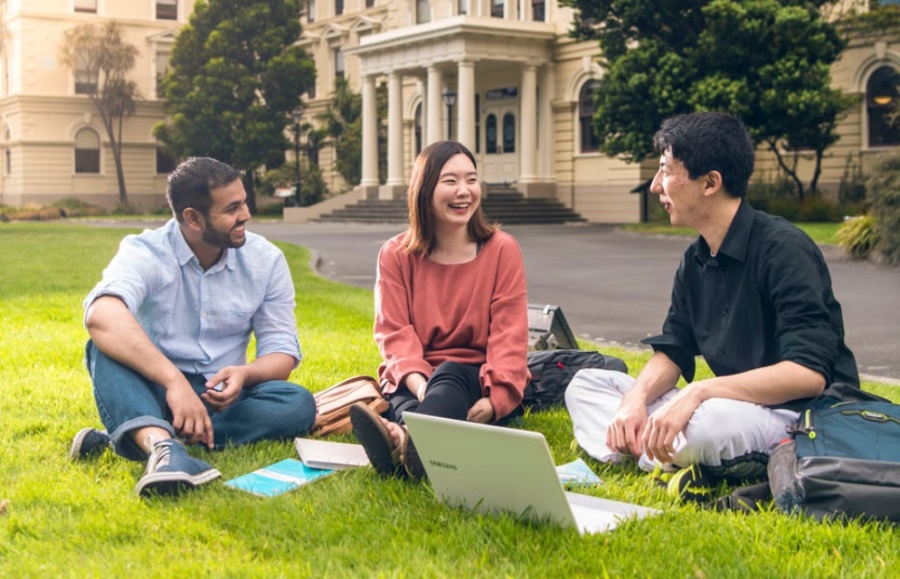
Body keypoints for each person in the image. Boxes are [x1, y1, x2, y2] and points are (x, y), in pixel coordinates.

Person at [565, 112, 859, 500]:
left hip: (796, 415)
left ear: (711, 183)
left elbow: (808, 375)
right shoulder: (695, 259)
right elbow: (674, 349)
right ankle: (653, 449)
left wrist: (698, 393)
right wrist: (634, 402)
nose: (655, 186)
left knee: (707, 423)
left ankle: (635, 448)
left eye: (667, 172)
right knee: (585, 384)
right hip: (729, 404)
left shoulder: (785, 250)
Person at [70, 156, 316, 497]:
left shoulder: (266, 260)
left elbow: (282, 350)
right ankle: (164, 448)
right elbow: (102, 314)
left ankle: (143, 433)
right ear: (193, 219)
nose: (245, 214)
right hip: (153, 383)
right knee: (103, 349)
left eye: (244, 202)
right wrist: (173, 381)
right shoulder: (146, 251)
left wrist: (245, 375)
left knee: (298, 404)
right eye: (232, 208)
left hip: (221, 397)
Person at [349, 140, 530, 479]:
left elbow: (510, 337)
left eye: (471, 179)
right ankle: (414, 441)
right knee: (415, 400)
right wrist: (423, 387)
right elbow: (395, 334)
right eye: (450, 181)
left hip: (478, 379)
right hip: (415, 379)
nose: (464, 191)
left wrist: (496, 402)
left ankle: (401, 440)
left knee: (446, 378)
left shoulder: (502, 250)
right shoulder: (395, 254)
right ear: (425, 189)